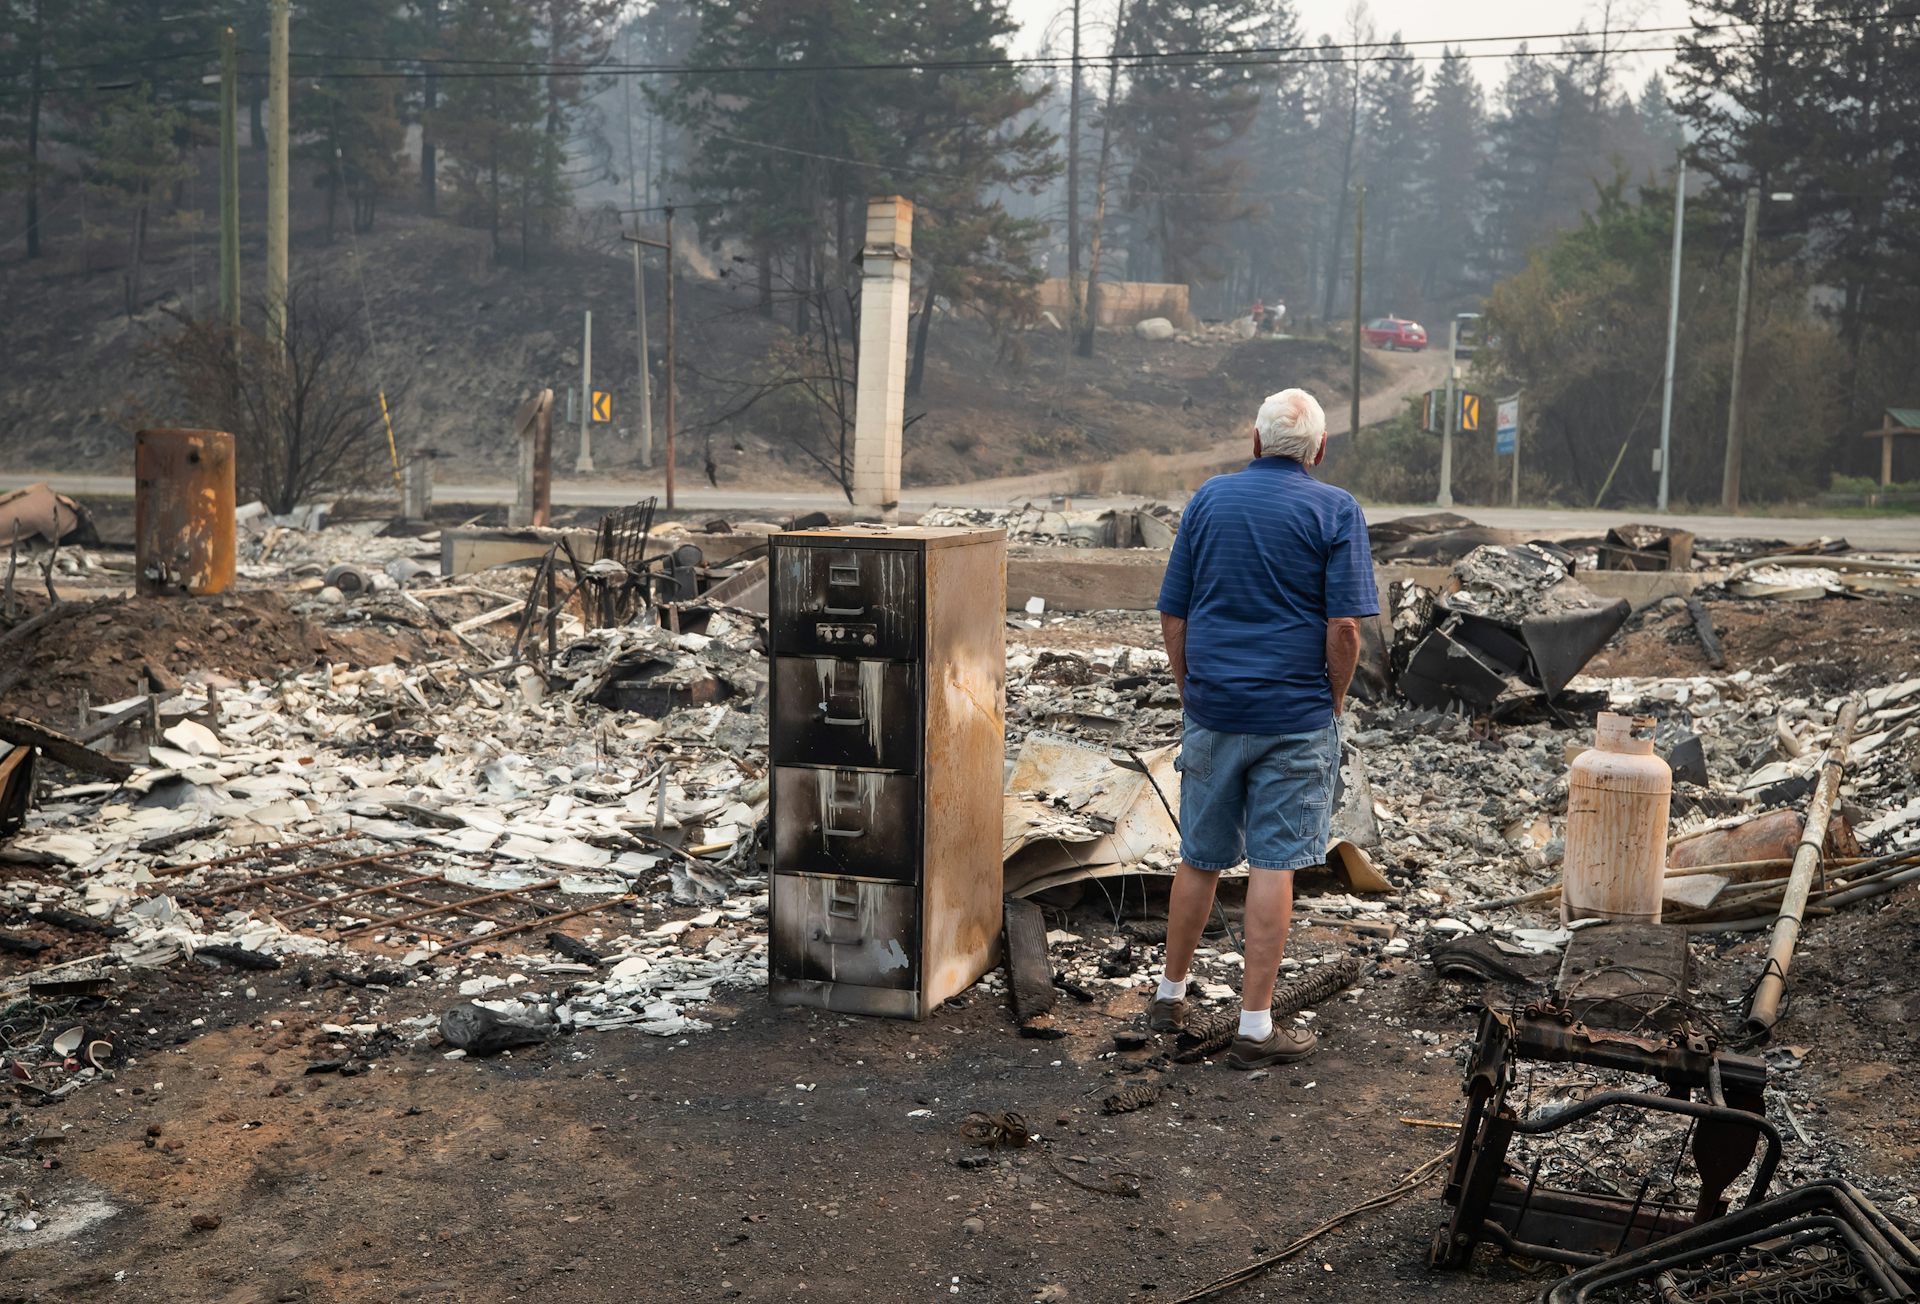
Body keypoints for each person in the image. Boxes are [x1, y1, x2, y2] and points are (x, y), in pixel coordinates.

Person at [1148, 387, 1378, 1069]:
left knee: (1201, 855)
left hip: (1216, 709)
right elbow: (1344, 628)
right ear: (1320, 450)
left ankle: (1169, 994)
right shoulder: (1336, 510)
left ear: (1254, 442)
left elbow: (1174, 615)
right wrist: (1332, 700)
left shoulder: (1209, 501)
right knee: (1273, 863)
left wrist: (1192, 689)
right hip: (1293, 716)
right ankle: (1254, 1028)